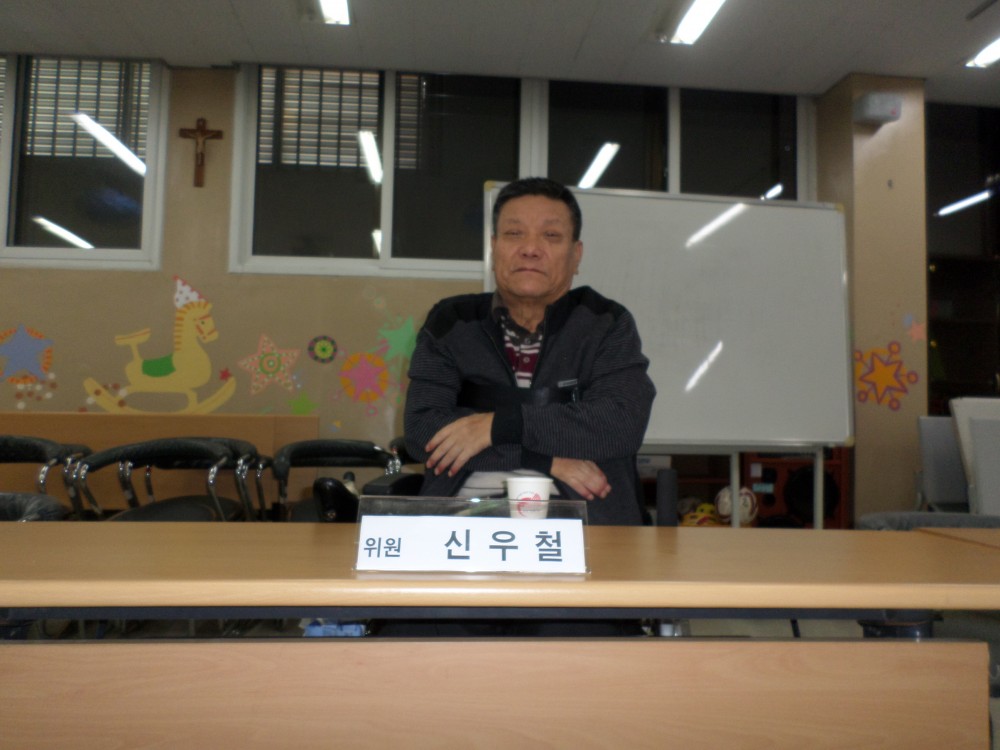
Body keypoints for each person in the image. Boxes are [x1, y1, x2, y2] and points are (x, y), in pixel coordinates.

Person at [404, 177, 656, 525]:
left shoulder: (606, 323)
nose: (530, 249)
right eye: (514, 233)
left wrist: (496, 426)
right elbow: (422, 431)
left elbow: (620, 424)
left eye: (550, 235)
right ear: (494, 249)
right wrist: (544, 460)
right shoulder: (452, 321)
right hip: (464, 521)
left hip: (583, 524)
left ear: (576, 255)